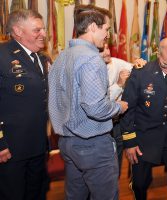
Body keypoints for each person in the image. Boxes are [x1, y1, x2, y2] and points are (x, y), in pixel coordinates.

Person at [48, 5, 128, 200]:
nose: (108, 35)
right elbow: (96, 108)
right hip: (93, 146)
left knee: (75, 195)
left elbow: (54, 102)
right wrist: (119, 107)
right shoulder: (92, 59)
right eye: (106, 29)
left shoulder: (61, 57)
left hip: (67, 143)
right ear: (93, 27)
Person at [121, 38, 167, 200]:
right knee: (140, 183)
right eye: (165, 65)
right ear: (158, 55)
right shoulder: (141, 73)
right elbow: (128, 108)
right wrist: (130, 142)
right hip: (143, 134)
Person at [0, 9, 49, 200]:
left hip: (37, 145)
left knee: (36, 193)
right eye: (37, 30)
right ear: (18, 31)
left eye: (43, 29)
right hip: (11, 149)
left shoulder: (41, 58)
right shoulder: (2, 56)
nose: (43, 34)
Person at [99, 42, 146, 175]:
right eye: (103, 50)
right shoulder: (91, 71)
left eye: (107, 47)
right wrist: (119, 84)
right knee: (102, 172)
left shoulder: (114, 62)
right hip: (101, 127)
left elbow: (134, 67)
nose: (108, 52)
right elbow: (101, 103)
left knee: (116, 168)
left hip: (117, 124)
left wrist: (140, 63)